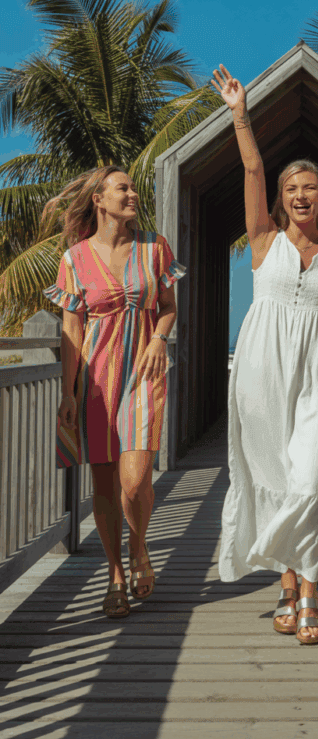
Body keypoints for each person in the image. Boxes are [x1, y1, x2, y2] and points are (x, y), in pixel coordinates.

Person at [212, 64, 318, 645]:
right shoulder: (263, 240)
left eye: (309, 188)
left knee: (312, 478)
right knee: (276, 477)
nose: (300, 196)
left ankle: (307, 585)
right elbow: (252, 169)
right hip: (261, 370)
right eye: (291, 189)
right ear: (280, 201)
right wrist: (240, 115)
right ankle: (294, 586)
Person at [43, 166, 185, 618]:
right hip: (97, 381)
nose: (133, 193)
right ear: (99, 200)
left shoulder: (155, 247)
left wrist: (159, 338)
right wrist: (68, 393)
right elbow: (71, 331)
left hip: (144, 371)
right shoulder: (74, 259)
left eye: (133, 187)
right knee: (104, 483)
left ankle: (138, 547)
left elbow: (168, 307)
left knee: (135, 478)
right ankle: (116, 574)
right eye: (123, 187)